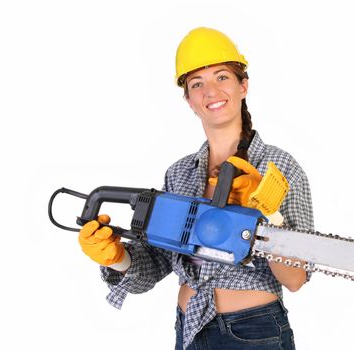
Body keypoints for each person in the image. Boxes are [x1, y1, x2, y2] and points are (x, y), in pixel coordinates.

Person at [78, 27, 315, 350]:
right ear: (188, 99)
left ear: (243, 85)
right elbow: (157, 264)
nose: (211, 91)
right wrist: (117, 258)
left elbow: (295, 280)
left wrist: (268, 215)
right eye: (197, 84)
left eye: (222, 77)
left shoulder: (278, 167)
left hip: (254, 331)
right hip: (189, 328)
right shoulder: (179, 174)